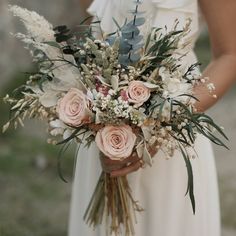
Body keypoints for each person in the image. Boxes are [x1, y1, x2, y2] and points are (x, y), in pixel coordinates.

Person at [68, 0, 236, 235]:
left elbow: (230, 55)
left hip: (170, 141)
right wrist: (102, 111)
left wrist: (162, 124)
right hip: (102, 137)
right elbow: (94, 34)